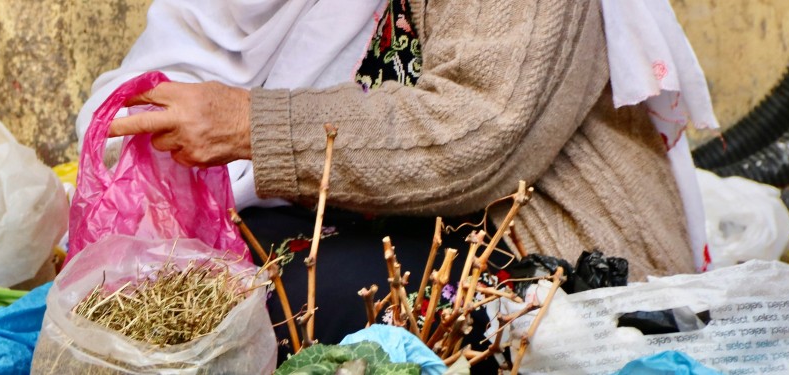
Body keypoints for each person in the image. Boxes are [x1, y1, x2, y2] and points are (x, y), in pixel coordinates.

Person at [77, 0, 716, 363]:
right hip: (353, 209)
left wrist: (250, 124)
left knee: (261, 318)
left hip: (523, 238)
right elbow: (199, 44)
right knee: (172, 284)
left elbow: (475, 133)